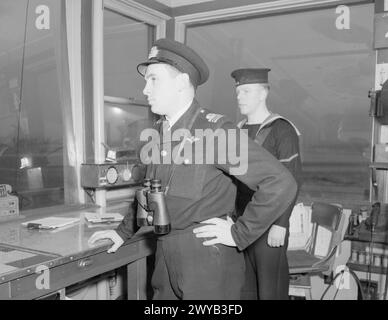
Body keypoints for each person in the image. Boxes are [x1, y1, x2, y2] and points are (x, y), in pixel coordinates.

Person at [89, 39, 297, 300]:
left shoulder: (214, 132)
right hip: (165, 255)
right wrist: (121, 233)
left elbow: (280, 182)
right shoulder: (161, 134)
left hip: (207, 263)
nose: (145, 89)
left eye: (154, 79)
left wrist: (239, 233)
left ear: (180, 82)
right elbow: (149, 193)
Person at [230, 68, 303, 300]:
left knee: (270, 290)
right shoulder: (237, 130)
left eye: (246, 91)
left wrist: (281, 224)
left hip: (271, 222)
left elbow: (292, 180)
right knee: (245, 287)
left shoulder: (282, 129)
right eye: (238, 91)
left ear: (263, 94)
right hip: (241, 222)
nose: (239, 96)